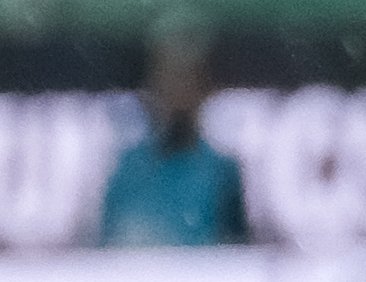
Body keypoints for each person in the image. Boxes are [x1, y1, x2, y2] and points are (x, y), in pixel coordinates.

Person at [92, 20, 251, 246]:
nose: (178, 93)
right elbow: (108, 246)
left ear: (205, 90)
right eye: (168, 80)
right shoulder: (127, 168)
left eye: (188, 80)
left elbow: (235, 252)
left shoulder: (222, 172)